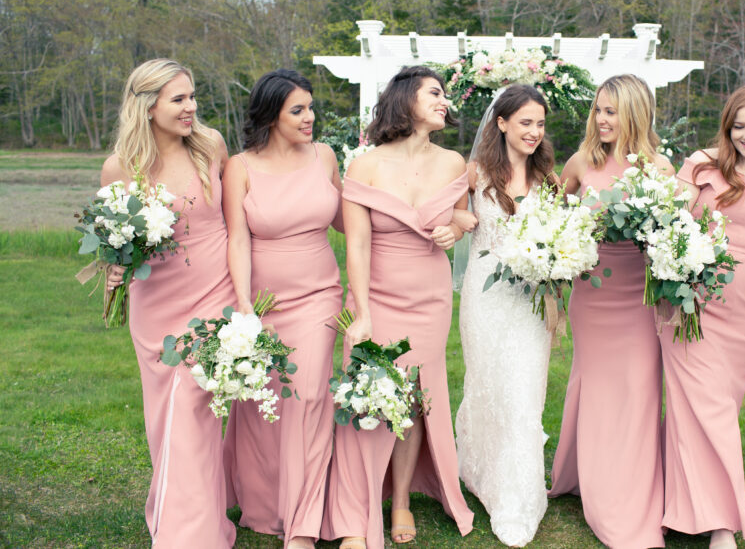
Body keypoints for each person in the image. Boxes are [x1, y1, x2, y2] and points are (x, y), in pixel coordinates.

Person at [322, 65, 475, 549]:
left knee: (412, 399)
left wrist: (458, 226)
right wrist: (361, 311)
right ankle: (356, 514)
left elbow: (460, 218)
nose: (444, 101)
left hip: (430, 297)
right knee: (369, 397)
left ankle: (403, 498)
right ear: (406, 98)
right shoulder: (365, 165)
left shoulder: (454, 162)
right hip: (378, 295)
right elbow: (358, 247)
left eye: (445, 95)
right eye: (435, 92)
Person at [101, 58, 236, 547]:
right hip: (156, 304)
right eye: (179, 99)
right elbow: (117, 239)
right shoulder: (121, 166)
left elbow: (235, 216)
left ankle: (190, 533)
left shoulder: (211, 146)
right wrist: (115, 264)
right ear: (147, 104)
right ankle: (181, 508)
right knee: (167, 418)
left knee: (196, 404)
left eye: (193, 96)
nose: (191, 107)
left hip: (214, 294)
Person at [661, 84, 745, 548]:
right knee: (697, 406)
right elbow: (664, 220)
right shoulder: (700, 163)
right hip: (686, 298)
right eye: (739, 126)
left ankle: (686, 507)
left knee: (721, 408)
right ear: (727, 126)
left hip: (744, 307)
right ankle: (721, 522)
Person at [221, 69, 345, 549]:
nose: (310, 117)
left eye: (311, 108)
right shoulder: (241, 167)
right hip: (265, 302)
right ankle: (266, 504)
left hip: (319, 297)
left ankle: (306, 520)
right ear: (271, 115)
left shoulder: (325, 157)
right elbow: (236, 236)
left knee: (310, 395)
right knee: (262, 404)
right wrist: (245, 305)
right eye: (298, 110)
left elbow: (347, 220)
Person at [549, 73, 670, 549]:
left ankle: (635, 492)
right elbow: (554, 218)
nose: (602, 119)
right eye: (598, 109)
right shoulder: (582, 161)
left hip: (640, 297)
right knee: (598, 390)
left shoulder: (657, 168)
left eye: (612, 111)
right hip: (594, 295)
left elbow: (671, 231)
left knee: (638, 392)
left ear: (635, 114)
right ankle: (599, 488)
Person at [455, 84, 558, 547]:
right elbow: (458, 221)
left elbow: (561, 243)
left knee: (523, 391)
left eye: (539, 124)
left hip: (531, 300)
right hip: (485, 295)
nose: (534, 132)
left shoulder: (549, 179)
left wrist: (555, 295)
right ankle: (481, 473)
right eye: (525, 123)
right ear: (501, 124)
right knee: (489, 383)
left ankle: (517, 496)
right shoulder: (475, 173)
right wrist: (457, 222)